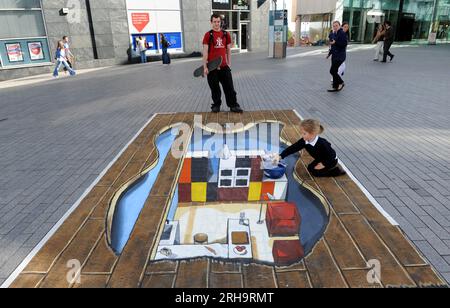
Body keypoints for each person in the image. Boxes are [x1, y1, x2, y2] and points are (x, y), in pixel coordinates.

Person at [273, 119, 346, 178]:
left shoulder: (322, 143)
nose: (302, 135)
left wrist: (323, 164)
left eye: (304, 133)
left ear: (313, 134)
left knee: (315, 173)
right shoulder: (305, 141)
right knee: (310, 168)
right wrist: (281, 156)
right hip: (321, 158)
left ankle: (336, 171)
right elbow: (293, 148)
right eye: (301, 133)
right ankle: (323, 167)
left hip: (331, 160)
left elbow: (332, 155)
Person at [202, 14, 243, 113]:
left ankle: (233, 105)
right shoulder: (208, 35)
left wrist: (229, 63)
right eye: (214, 22)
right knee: (215, 89)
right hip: (212, 67)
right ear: (211, 22)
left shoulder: (226, 34)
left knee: (229, 88)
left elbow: (228, 50)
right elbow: (205, 51)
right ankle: (216, 106)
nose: (216, 23)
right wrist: (205, 67)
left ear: (221, 22)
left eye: (218, 22)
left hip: (224, 66)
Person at [327, 21, 348, 92]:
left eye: (336, 25)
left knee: (332, 71)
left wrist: (335, 42)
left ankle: (341, 82)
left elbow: (344, 44)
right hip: (335, 56)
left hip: (340, 56)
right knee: (334, 71)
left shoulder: (342, 33)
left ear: (339, 26)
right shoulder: (335, 33)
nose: (335, 27)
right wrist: (329, 54)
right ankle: (335, 86)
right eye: (334, 26)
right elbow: (333, 45)